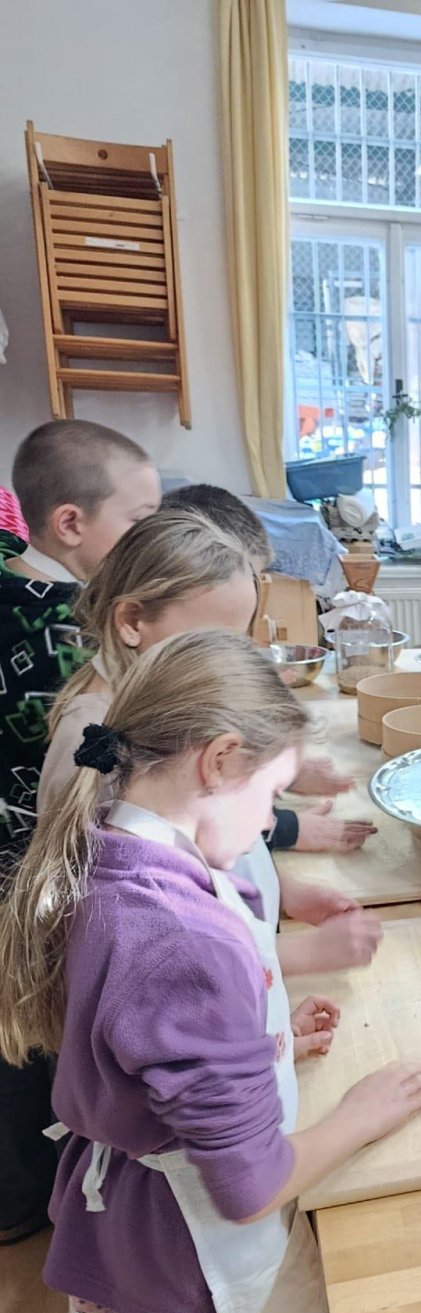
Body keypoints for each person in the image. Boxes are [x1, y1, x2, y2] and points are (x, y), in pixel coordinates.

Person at [0, 630, 421, 1313]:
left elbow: (149, 1047)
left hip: (138, 1210)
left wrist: (265, 1044)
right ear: (218, 761)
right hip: (190, 1235)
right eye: (272, 794)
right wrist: (359, 1113)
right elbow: (247, 1185)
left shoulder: (115, 844)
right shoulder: (176, 937)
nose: (270, 820)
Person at [37, 506, 384, 983]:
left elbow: (199, 854)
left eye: (240, 640)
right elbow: (130, 948)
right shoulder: (94, 743)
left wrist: (280, 891)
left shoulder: (175, 702)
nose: (230, 660)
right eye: (213, 639)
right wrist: (291, 955)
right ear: (133, 620)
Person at [0, 419, 159, 1246]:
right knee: (30, 1036)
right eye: (139, 521)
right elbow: (107, 766)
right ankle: (28, 1199)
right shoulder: (74, 627)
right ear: (71, 523)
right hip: (32, 869)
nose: (147, 540)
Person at [164, 482, 374, 857]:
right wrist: (283, 828)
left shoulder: (181, 673)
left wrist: (278, 774)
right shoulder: (133, 723)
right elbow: (184, 825)